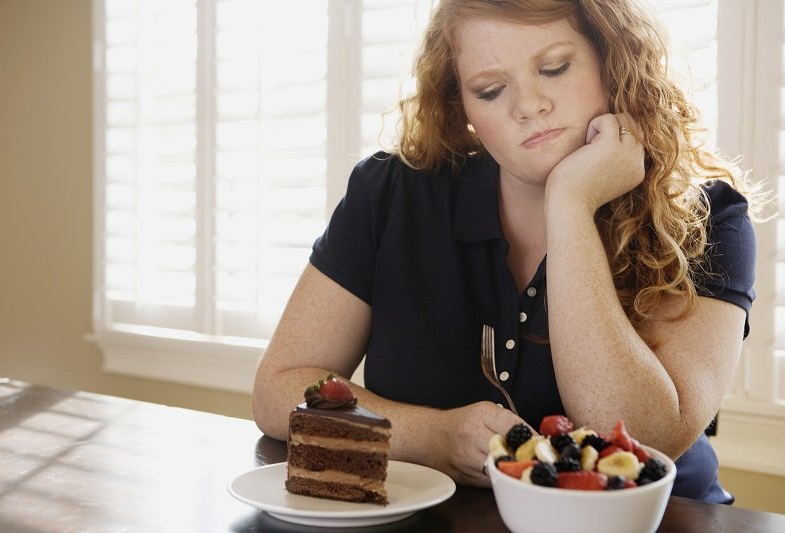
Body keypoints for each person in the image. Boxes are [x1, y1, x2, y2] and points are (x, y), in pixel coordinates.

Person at [252, 0, 760, 503]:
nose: (529, 105)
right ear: (460, 106)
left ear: (613, 60)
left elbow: (642, 443)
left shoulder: (708, 219)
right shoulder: (388, 194)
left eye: (554, 68)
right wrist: (429, 436)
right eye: (490, 90)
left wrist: (570, 203)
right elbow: (279, 389)